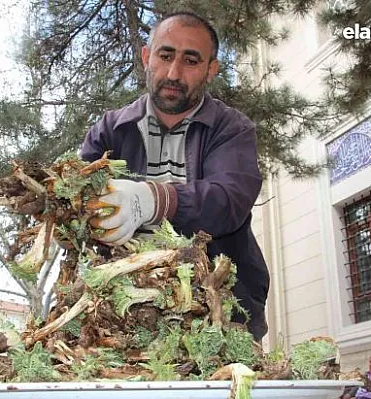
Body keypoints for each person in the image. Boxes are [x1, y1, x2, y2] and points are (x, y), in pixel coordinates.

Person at [79, 11, 270, 341]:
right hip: (122, 310)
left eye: (191, 61)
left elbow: (227, 201)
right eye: (165, 55)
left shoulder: (232, 129)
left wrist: (153, 200)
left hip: (221, 309)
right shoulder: (110, 130)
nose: (173, 73)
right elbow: (78, 201)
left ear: (211, 69)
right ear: (146, 57)